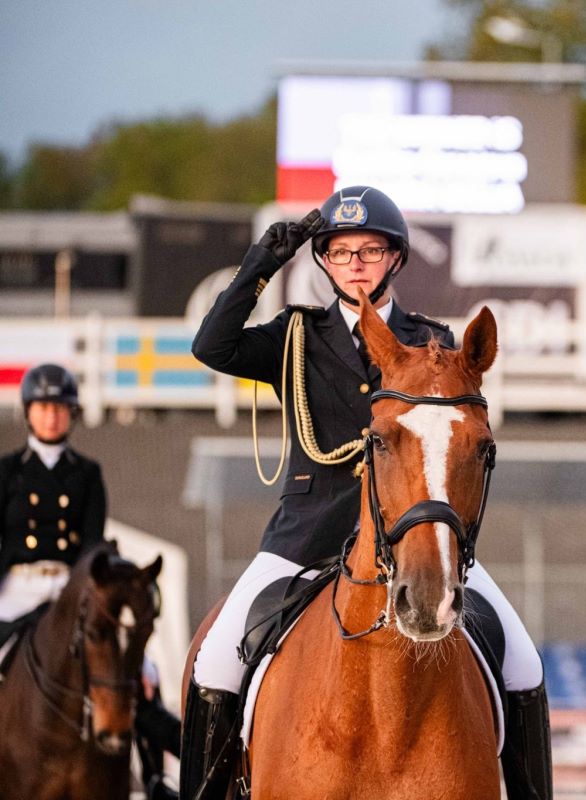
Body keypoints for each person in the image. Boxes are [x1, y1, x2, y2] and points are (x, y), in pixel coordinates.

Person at [185, 185, 552, 799]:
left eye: (370, 251)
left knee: (523, 663)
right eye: (341, 252)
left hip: (419, 538)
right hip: (306, 536)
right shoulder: (296, 336)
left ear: (396, 259)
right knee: (218, 658)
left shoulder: (431, 343)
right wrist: (262, 265)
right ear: (324, 262)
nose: (355, 263)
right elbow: (211, 347)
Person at [0, 364, 180, 799]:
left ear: (72, 415)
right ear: (29, 412)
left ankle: (156, 776)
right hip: (16, 589)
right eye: (44, 407)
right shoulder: (7, 471)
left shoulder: (87, 473)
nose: (52, 417)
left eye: (60, 408)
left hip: (71, 588)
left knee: (139, 673)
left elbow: (94, 545)